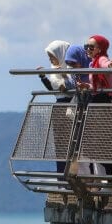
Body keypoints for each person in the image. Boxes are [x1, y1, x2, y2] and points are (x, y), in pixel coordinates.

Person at [84, 34, 112, 179]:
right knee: (101, 142)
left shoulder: (101, 59)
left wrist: (111, 65)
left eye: (91, 47)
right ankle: (110, 175)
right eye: (86, 46)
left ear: (100, 49)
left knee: (102, 142)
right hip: (98, 101)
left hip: (102, 103)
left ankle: (111, 175)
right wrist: (87, 86)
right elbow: (96, 85)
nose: (88, 49)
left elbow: (106, 64)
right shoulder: (93, 63)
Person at [38, 40, 75, 173]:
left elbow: (72, 86)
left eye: (52, 56)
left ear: (61, 54)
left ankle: (74, 173)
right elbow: (53, 89)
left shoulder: (72, 67)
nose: (50, 59)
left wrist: (64, 75)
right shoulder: (54, 70)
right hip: (60, 107)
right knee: (60, 143)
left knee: (73, 142)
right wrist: (43, 77)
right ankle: (62, 173)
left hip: (72, 105)